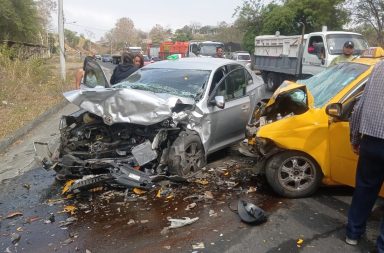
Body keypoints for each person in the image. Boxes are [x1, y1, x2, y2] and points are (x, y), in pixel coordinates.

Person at [346, 60, 384, 251]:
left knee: (365, 188)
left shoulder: (379, 67)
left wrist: (355, 138)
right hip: (373, 140)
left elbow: (359, 107)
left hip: (372, 141)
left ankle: (353, 233)